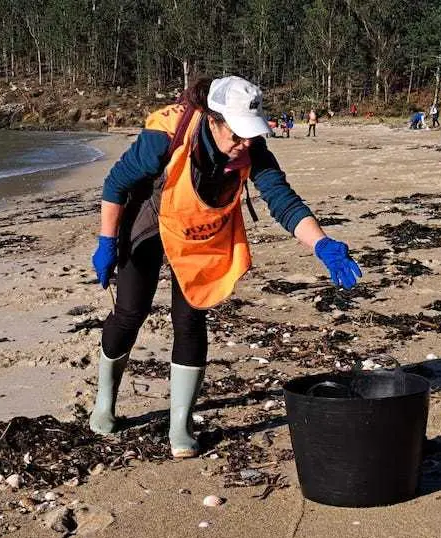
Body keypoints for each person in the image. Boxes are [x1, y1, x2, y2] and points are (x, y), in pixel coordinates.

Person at [89, 76, 362, 457]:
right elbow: (115, 184)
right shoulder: (164, 137)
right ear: (212, 120)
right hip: (150, 215)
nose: (245, 143)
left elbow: (283, 201)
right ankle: (105, 404)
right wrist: (106, 241)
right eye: (237, 134)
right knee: (130, 311)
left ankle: (180, 425)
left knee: (190, 318)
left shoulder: (252, 149)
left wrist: (323, 245)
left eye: (250, 134)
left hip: (201, 229)